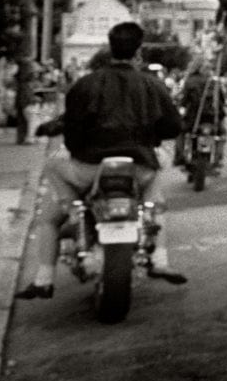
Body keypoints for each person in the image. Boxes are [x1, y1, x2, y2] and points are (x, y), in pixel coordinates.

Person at [16, 22, 187, 299]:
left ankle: (46, 273)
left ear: (109, 47)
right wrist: (149, 138)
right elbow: (173, 126)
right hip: (138, 166)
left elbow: (71, 131)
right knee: (156, 197)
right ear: (138, 51)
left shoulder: (85, 84)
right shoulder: (153, 85)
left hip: (89, 167)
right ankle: (160, 259)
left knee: (49, 202)